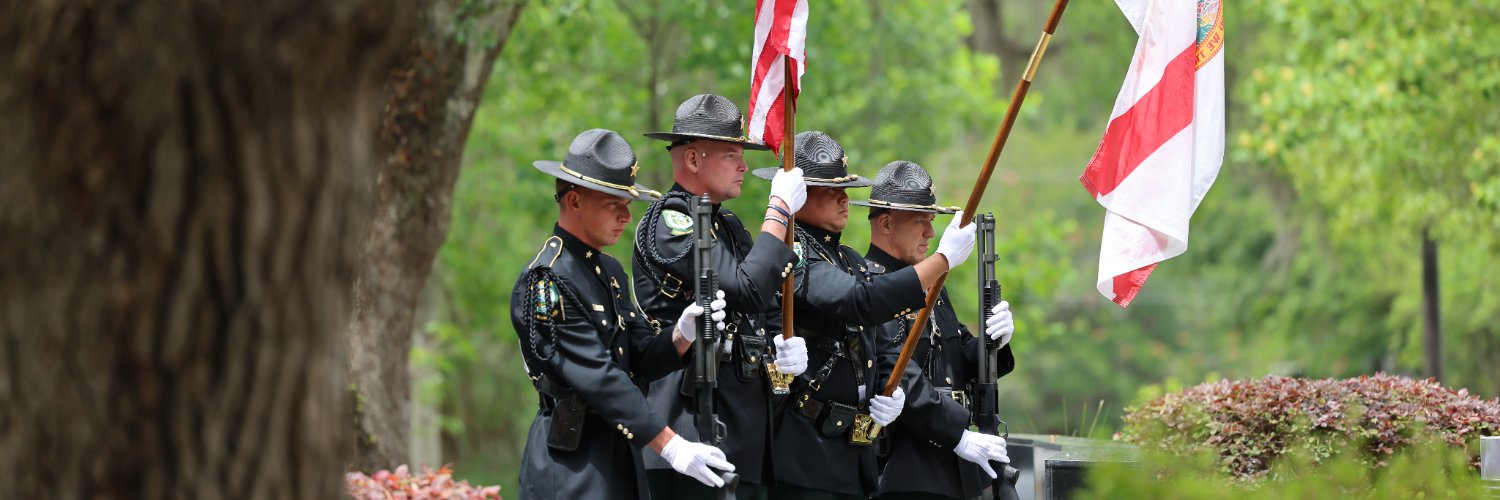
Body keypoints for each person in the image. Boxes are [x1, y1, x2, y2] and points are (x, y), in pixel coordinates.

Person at [513, 128, 736, 499]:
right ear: (575, 201)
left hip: (619, 454)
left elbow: (640, 357)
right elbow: (598, 376)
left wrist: (682, 334)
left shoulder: (610, 272)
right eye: (613, 203)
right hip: (572, 464)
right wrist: (670, 444)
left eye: (628, 203)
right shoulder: (547, 278)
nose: (626, 215)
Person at [755, 132, 977, 500]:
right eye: (831, 190)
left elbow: (879, 344)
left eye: (844, 188)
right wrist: (943, 260)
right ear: (799, 194)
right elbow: (861, 302)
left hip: (850, 456)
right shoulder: (791, 252)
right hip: (803, 453)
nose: (844, 198)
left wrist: (889, 390)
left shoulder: (847, 260)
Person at [632, 94, 811, 499]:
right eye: (731, 155)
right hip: (690, 429)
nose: (743, 166)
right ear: (693, 160)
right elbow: (746, 289)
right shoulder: (671, 221)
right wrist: (779, 209)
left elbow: (764, 303)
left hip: (741, 435)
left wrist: (783, 345)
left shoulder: (726, 224)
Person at [853, 161, 1016, 500]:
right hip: (909, 466)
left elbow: (958, 359)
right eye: (920, 222)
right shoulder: (873, 286)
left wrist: (995, 341)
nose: (930, 233)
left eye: (931, 221)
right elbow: (898, 374)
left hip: (953, 464)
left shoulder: (931, 285)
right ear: (886, 223)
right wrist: (957, 434)